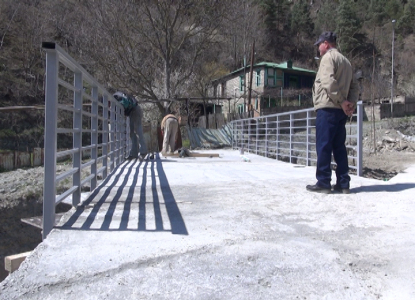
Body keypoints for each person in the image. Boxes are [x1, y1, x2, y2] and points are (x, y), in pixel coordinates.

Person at [306, 31, 359, 194]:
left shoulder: (328, 58)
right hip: (340, 111)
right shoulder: (346, 61)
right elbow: (354, 86)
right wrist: (350, 104)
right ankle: (343, 183)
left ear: (326, 44)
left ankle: (323, 182)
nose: (318, 48)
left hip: (328, 107)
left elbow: (328, 81)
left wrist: (342, 101)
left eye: (319, 45)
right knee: (339, 147)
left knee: (323, 145)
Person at [113, 92, 147, 159]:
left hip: (135, 111)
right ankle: (134, 153)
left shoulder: (116, 98)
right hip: (133, 111)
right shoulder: (118, 96)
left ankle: (143, 152)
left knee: (138, 131)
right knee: (132, 133)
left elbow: (124, 106)